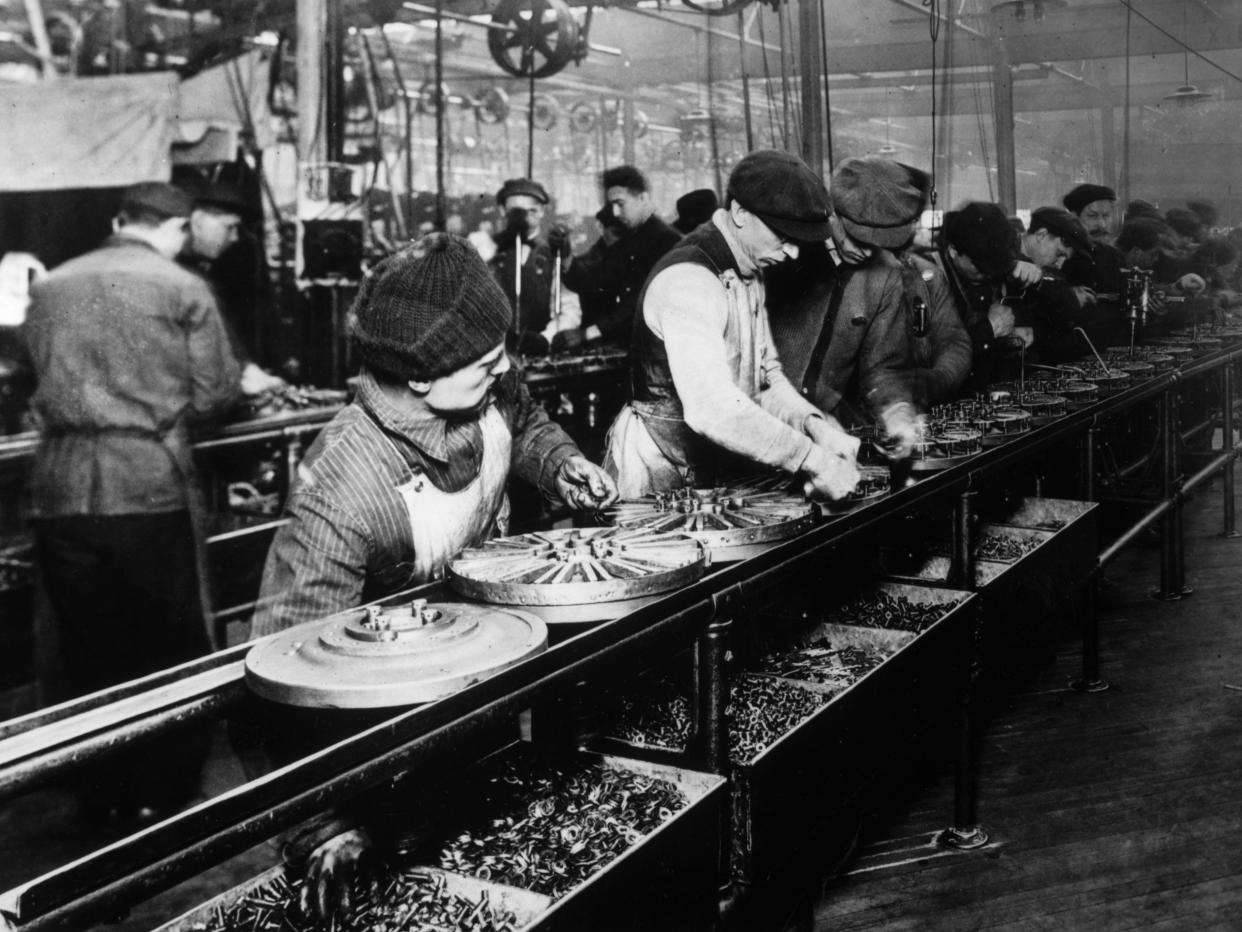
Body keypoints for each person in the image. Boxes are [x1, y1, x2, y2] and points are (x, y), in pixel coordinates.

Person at [251, 233, 618, 636]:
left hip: (496, 637)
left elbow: (521, 417)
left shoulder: (483, 386)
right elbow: (295, 655)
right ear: (421, 377)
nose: (504, 368)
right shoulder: (338, 496)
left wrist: (558, 462)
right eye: (486, 363)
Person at [22, 181, 243, 827]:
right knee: (164, 645)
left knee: (87, 646)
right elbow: (215, 393)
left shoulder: (51, 283)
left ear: (120, 222)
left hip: (59, 485)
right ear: (176, 230)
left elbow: (29, 373)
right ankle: (160, 792)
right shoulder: (180, 286)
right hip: (145, 485)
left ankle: (98, 790)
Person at [602, 148, 860, 500]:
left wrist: (813, 425)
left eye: (798, 240)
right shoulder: (690, 280)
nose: (793, 252)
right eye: (783, 236)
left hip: (711, 466)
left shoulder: (751, 267)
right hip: (657, 471)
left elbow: (765, 381)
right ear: (740, 213)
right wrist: (812, 459)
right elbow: (713, 409)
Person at [767, 156, 935, 450]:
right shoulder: (779, 256)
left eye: (877, 243)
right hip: (765, 422)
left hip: (827, 434)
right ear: (833, 214)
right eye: (858, 238)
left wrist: (897, 411)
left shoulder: (887, 274)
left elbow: (884, 367)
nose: (867, 252)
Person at [551, 165, 681, 351]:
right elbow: (595, 282)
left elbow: (640, 305)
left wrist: (587, 333)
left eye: (620, 204)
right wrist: (565, 256)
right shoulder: (628, 240)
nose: (615, 213)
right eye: (612, 206)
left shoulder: (667, 242)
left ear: (643, 198)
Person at [926, 201, 1042, 391]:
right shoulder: (927, 277)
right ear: (954, 251)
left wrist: (1032, 272)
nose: (988, 274)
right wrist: (989, 329)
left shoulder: (997, 263)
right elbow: (927, 356)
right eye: (980, 267)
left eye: (995, 266)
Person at [182, 181, 285, 394]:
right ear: (198, 222)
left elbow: (223, 335)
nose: (234, 238)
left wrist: (249, 370)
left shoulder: (203, 272)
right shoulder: (177, 277)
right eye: (229, 227)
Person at [487, 178, 561, 356]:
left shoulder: (554, 252)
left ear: (542, 211)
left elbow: (567, 308)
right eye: (516, 212)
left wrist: (547, 338)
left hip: (540, 351)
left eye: (532, 210)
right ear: (503, 210)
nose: (525, 218)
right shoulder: (487, 250)